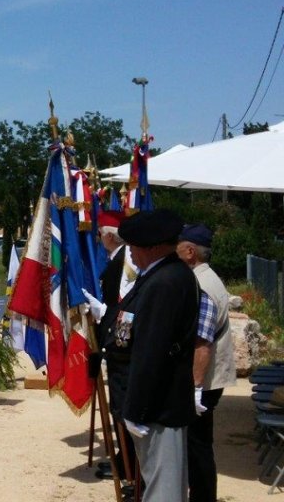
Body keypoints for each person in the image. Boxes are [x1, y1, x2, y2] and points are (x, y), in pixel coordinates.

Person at [117, 209, 199, 501]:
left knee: (164, 490)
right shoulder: (161, 275)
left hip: (158, 407)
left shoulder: (165, 282)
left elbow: (151, 351)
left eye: (134, 248)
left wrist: (136, 409)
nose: (131, 254)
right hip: (156, 404)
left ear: (152, 247)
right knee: (158, 484)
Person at [177, 223, 236, 502]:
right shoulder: (205, 278)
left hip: (205, 380)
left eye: (178, 245)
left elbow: (202, 343)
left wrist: (196, 387)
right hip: (208, 377)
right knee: (198, 444)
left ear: (190, 252)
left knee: (197, 445)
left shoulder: (201, 285)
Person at [83, 210, 138, 487]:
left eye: (98, 234)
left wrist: (103, 313)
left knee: (123, 408)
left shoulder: (125, 261)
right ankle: (124, 458)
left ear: (107, 236)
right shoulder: (119, 259)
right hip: (117, 343)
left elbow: (126, 306)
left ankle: (130, 466)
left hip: (122, 347)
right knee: (119, 407)